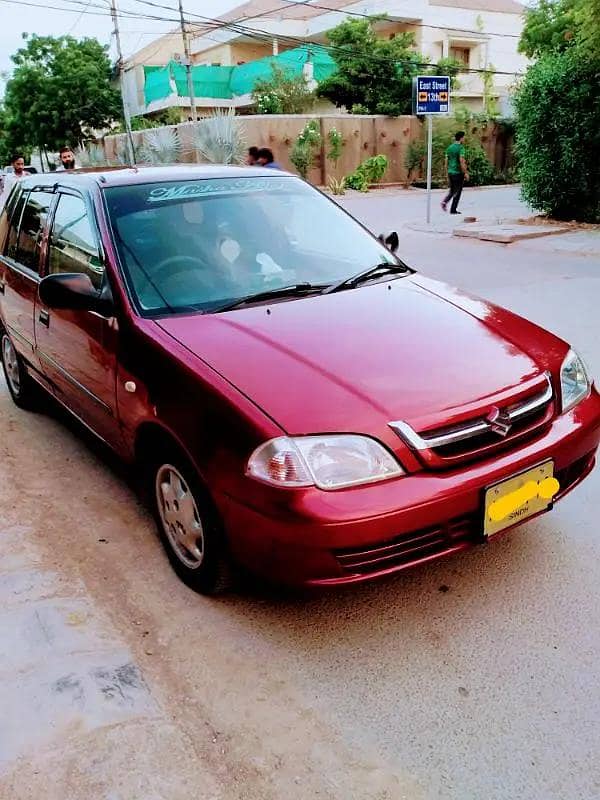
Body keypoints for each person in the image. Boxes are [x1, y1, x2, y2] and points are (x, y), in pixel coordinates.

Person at [441, 131, 469, 215]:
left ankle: (445, 201)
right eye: (464, 137)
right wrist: (465, 172)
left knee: (452, 190)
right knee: (458, 191)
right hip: (458, 173)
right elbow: (461, 161)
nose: (464, 139)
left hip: (450, 172)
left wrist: (446, 172)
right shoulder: (461, 148)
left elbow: (446, 161)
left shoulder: (449, 148)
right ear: (461, 138)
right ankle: (453, 209)